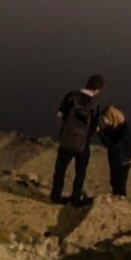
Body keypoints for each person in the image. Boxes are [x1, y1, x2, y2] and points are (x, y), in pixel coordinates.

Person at [52, 74, 104, 206]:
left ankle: (56, 196)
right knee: (80, 172)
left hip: (66, 139)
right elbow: (93, 129)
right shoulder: (95, 105)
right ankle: (75, 199)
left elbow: (59, 115)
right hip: (82, 144)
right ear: (98, 90)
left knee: (60, 169)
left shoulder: (71, 96)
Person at [97, 105, 131, 198]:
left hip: (122, 160)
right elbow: (107, 143)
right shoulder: (112, 127)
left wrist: (100, 133)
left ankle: (121, 202)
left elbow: (114, 145)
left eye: (105, 119)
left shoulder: (124, 129)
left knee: (119, 184)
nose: (104, 121)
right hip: (115, 159)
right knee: (114, 182)